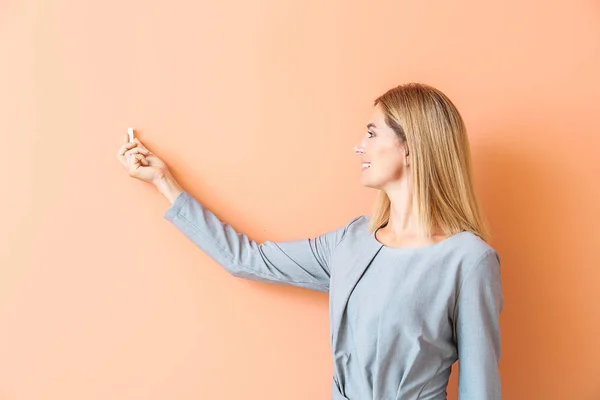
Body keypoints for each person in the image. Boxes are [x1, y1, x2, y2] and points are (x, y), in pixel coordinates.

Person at [116, 82, 503, 400]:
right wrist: (165, 183)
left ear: (410, 146)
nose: (359, 145)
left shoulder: (469, 259)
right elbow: (246, 260)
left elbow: (480, 389)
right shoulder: (350, 242)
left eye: (371, 132)